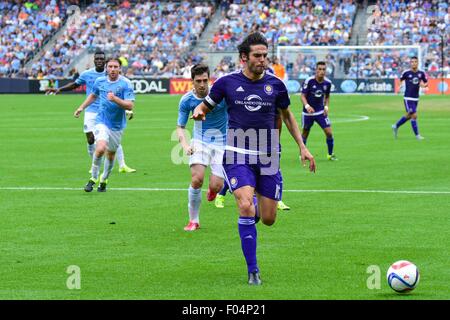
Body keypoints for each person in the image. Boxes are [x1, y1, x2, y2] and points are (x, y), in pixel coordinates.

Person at [192, 32, 316, 285]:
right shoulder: (226, 83)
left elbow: (288, 116)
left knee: (268, 218)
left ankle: (254, 213)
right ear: (244, 57)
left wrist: (302, 147)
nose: (263, 60)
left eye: (265, 56)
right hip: (237, 154)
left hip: (268, 156)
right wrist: (198, 112)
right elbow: (204, 105)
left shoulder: (276, 85)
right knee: (245, 206)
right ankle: (253, 270)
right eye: (257, 56)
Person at [46, 50, 136, 173]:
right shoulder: (87, 74)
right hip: (91, 110)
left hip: (106, 111)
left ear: (105, 62)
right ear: (94, 60)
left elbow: (122, 96)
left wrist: (127, 110)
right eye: (97, 59)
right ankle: (94, 163)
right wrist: (59, 90)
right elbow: (75, 85)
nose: (99, 61)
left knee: (111, 136)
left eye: (101, 59)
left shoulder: (111, 74)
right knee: (90, 139)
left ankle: (122, 165)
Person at [176, 64, 228, 231]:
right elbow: (180, 127)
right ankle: (194, 220)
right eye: (198, 81)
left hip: (222, 143)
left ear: (209, 79)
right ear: (192, 81)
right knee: (197, 179)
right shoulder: (187, 100)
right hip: (200, 142)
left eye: (205, 80)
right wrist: (185, 145)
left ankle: (213, 191)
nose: (202, 84)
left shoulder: (220, 95)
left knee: (217, 186)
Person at [74, 58, 135, 192]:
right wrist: (81, 108)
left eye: (115, 67)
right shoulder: (99, 81)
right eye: (110, 67)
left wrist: (115, 99)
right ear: (106, 68)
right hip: (101, 121)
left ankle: (104, 179)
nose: (112, 69)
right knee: (100, 148)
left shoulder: (126, 83)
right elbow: (93, 96)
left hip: (117, 125)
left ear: (120, 69)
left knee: (111, 155)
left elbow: (130, 104)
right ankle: (93, 178)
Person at [301, 61, 337, 161]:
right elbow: (303, 96)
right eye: (320, 69)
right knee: (305, 133)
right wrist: (307, 106)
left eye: (324, 69)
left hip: (320, 112)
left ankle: (330, 154)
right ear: (316, 70)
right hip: (308, 113)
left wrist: (326, 107)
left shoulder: (328, 83)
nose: (322, 71)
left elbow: (327, 96)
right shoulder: (309, 81)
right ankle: (303, 154)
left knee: (329, 133)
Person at [392, 56, 428, 140]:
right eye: (412, 62)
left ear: (418, 63)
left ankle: (396, 126)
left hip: (416, 98)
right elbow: (400, 80)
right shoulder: (406, 73)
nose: (414, 63)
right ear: (410, 63)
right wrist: (399, 87)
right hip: (408, 97)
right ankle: (417, 136)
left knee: (409, 116)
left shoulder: (421, 73)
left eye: (415, 61)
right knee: (414, 115)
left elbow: (426, 83)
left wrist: (423, 85)